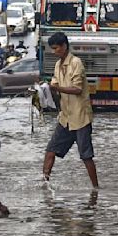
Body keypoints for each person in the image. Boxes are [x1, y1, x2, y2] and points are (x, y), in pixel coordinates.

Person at [42, 32, 98, 188]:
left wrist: (57, 88)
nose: (55, 52)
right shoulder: (57, 66)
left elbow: (77, 89)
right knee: (50, 151)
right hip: (65, 117)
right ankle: (44, 184)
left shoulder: (76, 63)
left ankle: (95, 188)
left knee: (86, 156)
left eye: (56, 48)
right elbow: (54, 88)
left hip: (80, 117)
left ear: (64, 46)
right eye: (52, 49)